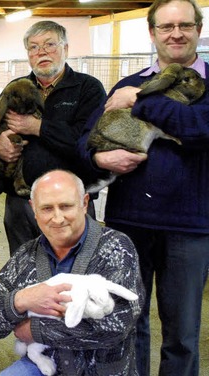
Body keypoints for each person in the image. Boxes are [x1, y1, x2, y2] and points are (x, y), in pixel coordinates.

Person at [77, 1, 209, 375]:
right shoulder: (124, 83)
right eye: (166, 27)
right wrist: (100, 160)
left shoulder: (138, 91)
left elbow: (199, 128)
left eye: (185, 25)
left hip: (190, 226)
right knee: (128, 322)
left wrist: (140, 100)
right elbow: (84, 142)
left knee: (182, 332)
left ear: (198, 29)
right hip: (129, 224)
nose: (176, 33)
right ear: (152, 33)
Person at [0, 170, 144, 375]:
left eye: (66, 206)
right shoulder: (25, 256)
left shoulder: (115, 247)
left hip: (100, 370)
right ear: (34, 210)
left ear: (84, 203)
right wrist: (20, 300)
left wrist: (35, 330)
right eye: (47, 208)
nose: (57, 218)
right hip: (42, 365)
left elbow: (117, 323)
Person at [0, 21, 106, 255]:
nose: (41, 52)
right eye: (34, 47)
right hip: (21, 201)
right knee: (24, 268)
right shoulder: (16, 87)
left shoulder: (87, 88)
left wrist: (38, 127)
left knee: (74, 272)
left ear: (66, 49)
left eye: (50, 44)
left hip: (70, 203)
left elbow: (89, 143)